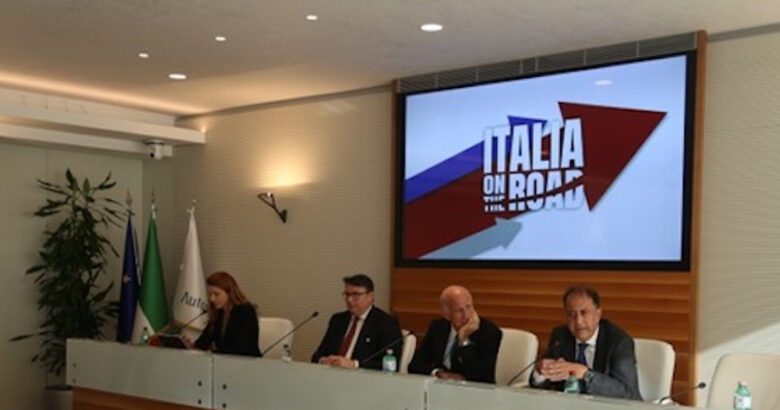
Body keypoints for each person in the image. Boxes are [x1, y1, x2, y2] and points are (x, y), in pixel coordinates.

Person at [530, 286, 641, 400]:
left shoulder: (619, 342)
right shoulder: (560, 336)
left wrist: (585, 374)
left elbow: (627, 392)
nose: (578, 321)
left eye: (584, 313)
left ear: (598, 314)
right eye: (571, 314)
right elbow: (544, 386)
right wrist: (540, 372)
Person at [408, 285, 502, 383]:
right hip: (440, 387)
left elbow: (483, 378)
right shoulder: (438, 327)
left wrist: (464, 340)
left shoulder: (489, 332)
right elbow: (415, 366)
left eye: (469, 307)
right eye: (459, 311)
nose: (466, 315)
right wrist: (438, 373)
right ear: (447, 315)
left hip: (472, 390)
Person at [311, 274, 402, 370]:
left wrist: (355, 365)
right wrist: (323, 360)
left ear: (370, 297)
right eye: (347, 294)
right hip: (332, 373)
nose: (349, 300)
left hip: (362, 377)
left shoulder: (386, 323)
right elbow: (317, 355)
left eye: (356, 295)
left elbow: (390, 364)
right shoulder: (338, 320)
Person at [183, 271, 261, 357]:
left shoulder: (246, 311)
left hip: (248, 362)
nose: (212, 299)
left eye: (216, 294)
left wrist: (212, 352)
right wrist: (192, 346)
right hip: (224, 361)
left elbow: (242, 348)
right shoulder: (218, 313)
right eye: (210, 294)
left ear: (229, 293)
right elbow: (204, 342)